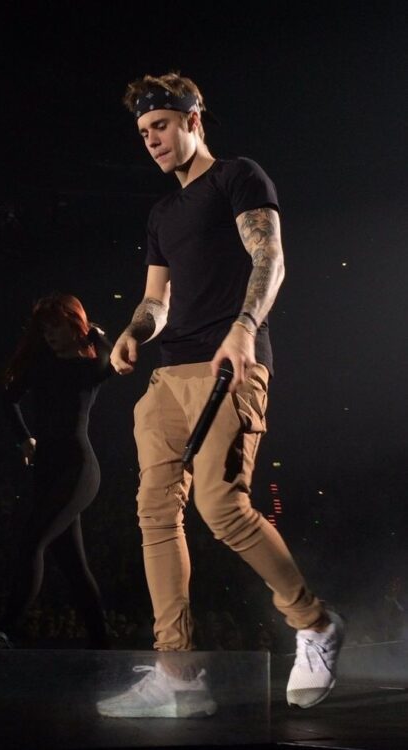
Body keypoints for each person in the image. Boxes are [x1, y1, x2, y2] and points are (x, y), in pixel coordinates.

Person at [97, 72, 345, 716]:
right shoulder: (161, 213)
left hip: (229, 363)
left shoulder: (239, 176)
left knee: (221, 505)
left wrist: (243, 329)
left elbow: (270, 260)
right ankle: (176, 673)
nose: (151, 140)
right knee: (155, 514)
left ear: (192, 120)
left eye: (161, 126)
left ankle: (313, 624)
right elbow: (157, 299)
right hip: (168, 377)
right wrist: (132, 331)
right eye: (143, 132)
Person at [0, 292, 113, 649]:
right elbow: (8, 397)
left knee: (32, 542)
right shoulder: (40, 363)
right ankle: (102, 642)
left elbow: (108, 360)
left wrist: (93, 331)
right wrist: (24, 439)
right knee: (73, 566)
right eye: (44, 328)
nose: (48, 334)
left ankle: (4, 629)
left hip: (78, 468)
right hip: (47, 469)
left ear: (72, 324)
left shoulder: (89, 366)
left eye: (55, 326)